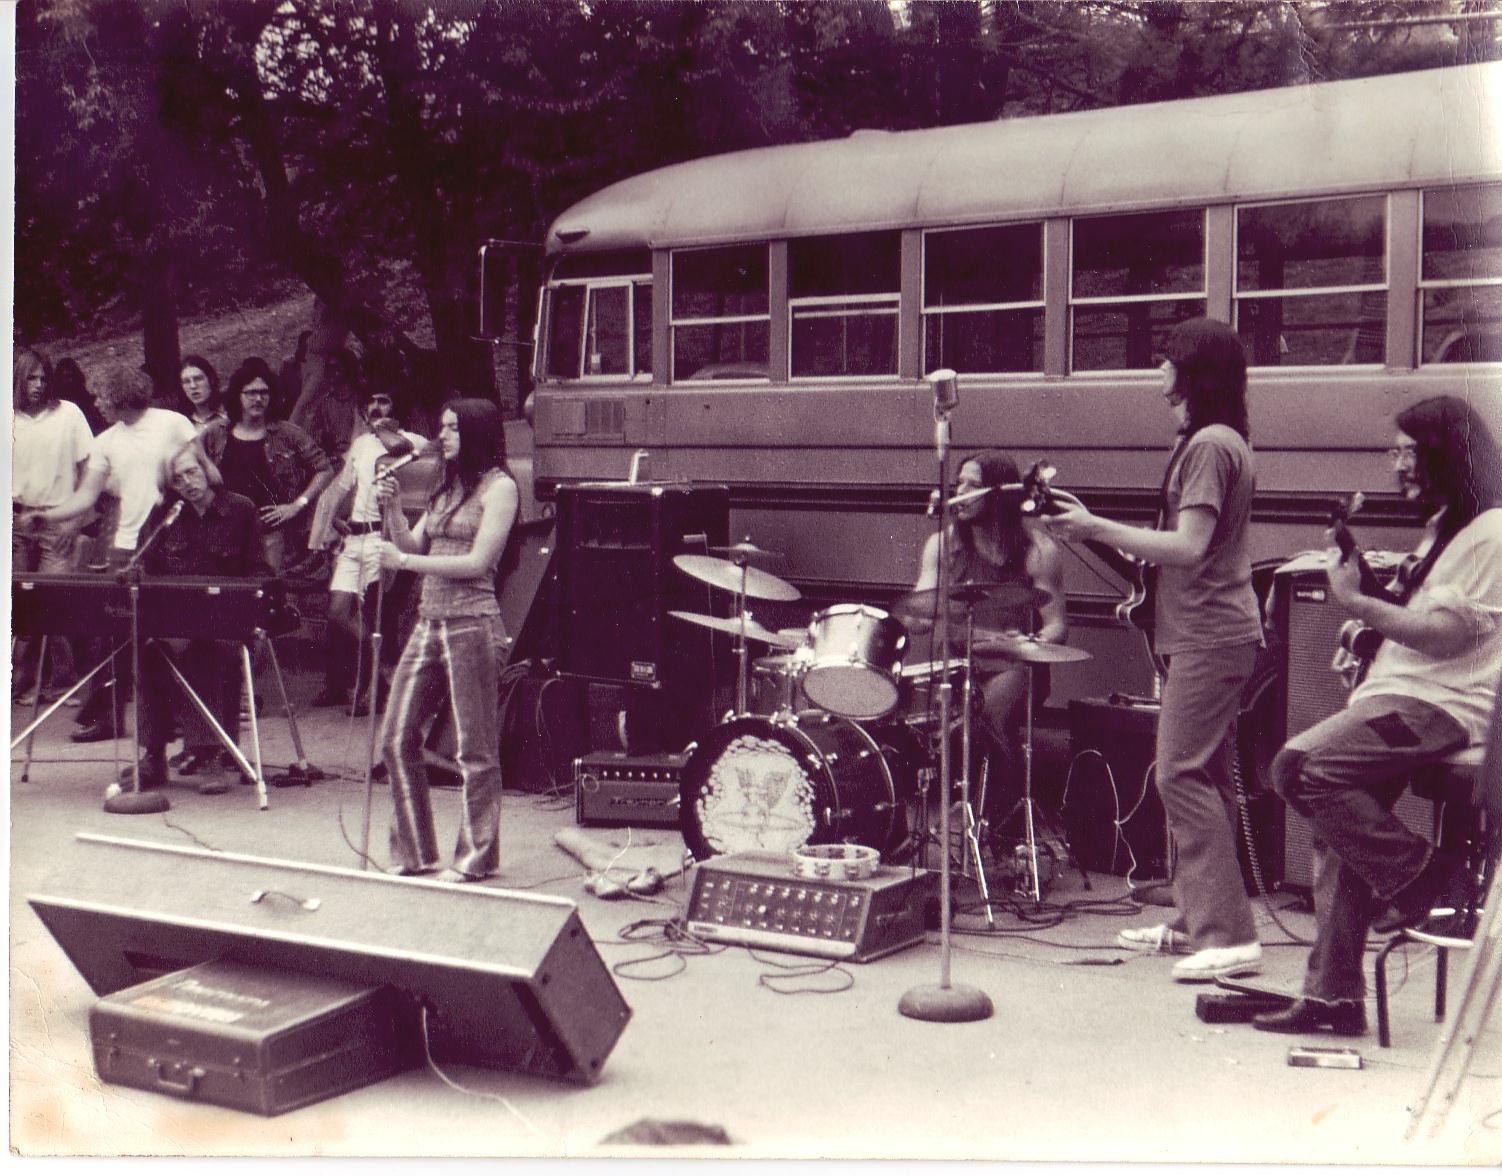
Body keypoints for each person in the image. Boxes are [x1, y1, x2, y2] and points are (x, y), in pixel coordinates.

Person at [1253, 396, 1502, 1037]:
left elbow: (1446, 638)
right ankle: (1333, 999)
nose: (1397, 467)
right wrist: (1367, 627)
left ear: (1445, 454)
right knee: (1339, 832)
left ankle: (1424, 878)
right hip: (1404, 699)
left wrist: (1358, 602)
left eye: (1407, 453)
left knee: (1299, 767)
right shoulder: (1450, 528)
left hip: (1436, 711)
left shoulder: (1492, 532)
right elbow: (1431, 623)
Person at [1043, 317, 1265, 983]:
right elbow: (1190, 548)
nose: (1157, 374)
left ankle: (1228, 936)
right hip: (1204, 631)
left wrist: (1094, 525)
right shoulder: (1218, 442)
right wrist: (1098, 537)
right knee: (1202, 780)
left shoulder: (1208, 448)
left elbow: (1191, 547)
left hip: (1210, 637)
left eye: (1165, 361)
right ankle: (1195, 918)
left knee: (1178, 775)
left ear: (1193, 371)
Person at [375, 399, 518, 883]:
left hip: (473, 623)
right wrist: (393, 507)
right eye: (443, 427)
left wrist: (406, 564)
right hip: (429, 621)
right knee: (397, 738)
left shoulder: (500, 488)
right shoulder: (444, 487)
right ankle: (415, 852)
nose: (445, 436)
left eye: (454, 428)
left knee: (474, 749)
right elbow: (412, 544)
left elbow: (478, 563)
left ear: (477, 432)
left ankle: (476, 857)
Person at [20, 362, 198, 742]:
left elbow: (202, 473)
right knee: (111, 633)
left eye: (101, 396)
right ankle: (106, 716)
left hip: (171, 544)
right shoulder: (105, 442)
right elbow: (86, 496)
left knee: (168, 636)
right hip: (125, 548)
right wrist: (45, 517)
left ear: (120, 396)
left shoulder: (174, 423)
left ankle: (179, 720)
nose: (97, 403)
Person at [912, 450, 1066, 841]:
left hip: (1014, 668)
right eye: (959, 483)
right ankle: (965, 819)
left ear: (999, 494)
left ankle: (997, 829)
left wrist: (1026, 644)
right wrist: (914, 613)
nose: (959, 493)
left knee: (990, 717)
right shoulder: (942, 546)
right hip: (958, 667)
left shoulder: (1038, 550)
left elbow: (1057, 627)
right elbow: (919, 612)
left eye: (972, 486)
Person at [123, 440, 272, 795]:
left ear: (206, 469)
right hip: (177, 621)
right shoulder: (166, 514)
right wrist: (136, 571)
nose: (188, 482)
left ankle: (211, 756)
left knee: (201, 652)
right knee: (148, 650)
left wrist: (252, 612)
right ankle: (153, 756)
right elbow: (144, 561)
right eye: (178, 479)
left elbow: (259, 570)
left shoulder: (240, 509)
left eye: (192, 471)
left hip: (228, 622)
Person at [309, 387, 428, 715]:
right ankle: (381, 673)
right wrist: (333, 515)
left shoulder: (414, 443)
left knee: (378, 615)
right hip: (354, 539)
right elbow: (346, 484)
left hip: (384, 538)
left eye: (384, 399)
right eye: (371, 401)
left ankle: (374, 687)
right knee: (338, 612)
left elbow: (409, 458)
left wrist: (384, 431)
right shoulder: (360, 445)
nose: (376, 407)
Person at [11, 348, 94, 702]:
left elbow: (90, 469)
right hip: (16, 520)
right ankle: (24, 681)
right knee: (19, 602)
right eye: (32, 377)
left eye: (44, 377)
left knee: (55, 600)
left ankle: (63, 681)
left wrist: (76, 520)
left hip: (59, 517)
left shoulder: (69, 414)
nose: (39, 384)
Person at [203, 357, 333, 573]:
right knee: (228, 593)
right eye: (251, 393)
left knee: (270, 591)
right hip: (226, 531)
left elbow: (324, 469)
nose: (258, 398)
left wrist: (298, 504)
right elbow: (189, 457)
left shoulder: (287, 434)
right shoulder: (216, 432)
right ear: (237, 395)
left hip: (272, 532)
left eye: (264, 392)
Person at [178, 355, 228, 432]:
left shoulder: (230, 413)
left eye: (198, 379)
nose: (193, 386)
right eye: (186, 381)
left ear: (211, 380)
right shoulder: (181, 423)